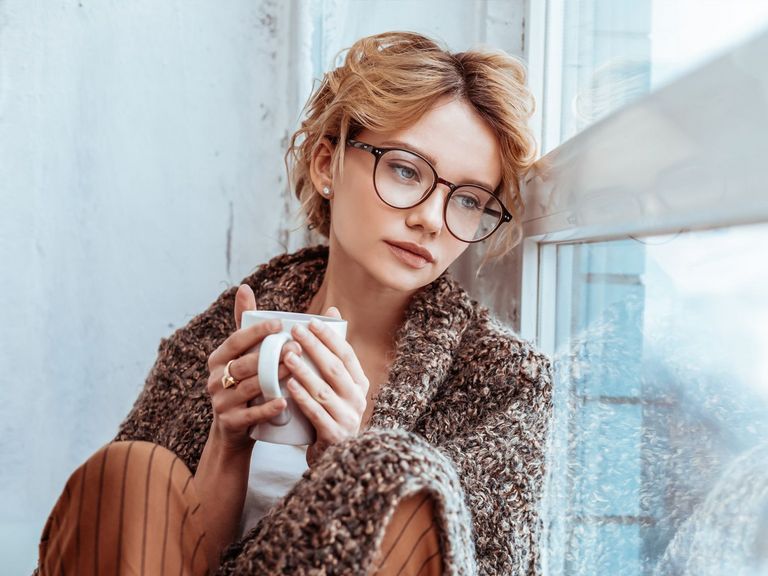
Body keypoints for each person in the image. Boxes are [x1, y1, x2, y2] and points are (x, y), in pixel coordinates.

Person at [36, 31, 552, 575]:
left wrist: (352, 465)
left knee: (406, 482)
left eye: (467, 199)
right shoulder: (208, 343)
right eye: (405, 169)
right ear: (327, 165)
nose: (429, 218)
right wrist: (227, 442)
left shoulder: (505, 382)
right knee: (131, 471)